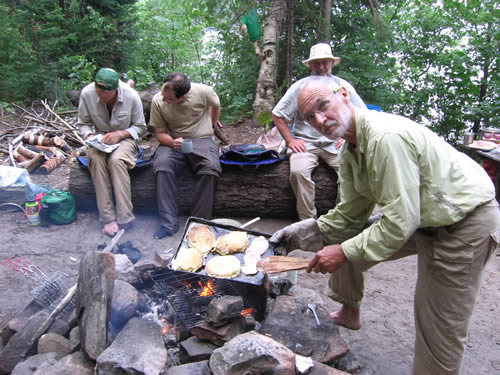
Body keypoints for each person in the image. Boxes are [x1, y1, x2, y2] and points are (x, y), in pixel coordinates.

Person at [270, 80, 500, 375]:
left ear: (343, 96)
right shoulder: (351, 150)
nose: (320, 120)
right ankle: (350, 311)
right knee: (348, 238)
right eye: (310, 118)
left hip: (463, 222)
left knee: (437, 324)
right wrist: (298, 234)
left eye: (322, 106)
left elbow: (401, 222)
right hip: (423, 217)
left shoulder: (383, 138)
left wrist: (343, 251)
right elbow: (348, 216)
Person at [272, 43, 366, 220]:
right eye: (317, 63)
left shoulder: (342, 85)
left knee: (351, 174)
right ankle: (307, 222)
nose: (322, 67)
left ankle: (341, 220)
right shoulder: (300, 87)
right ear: (310, 65)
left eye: (325, 62)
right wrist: (291, 140)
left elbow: (360, 113)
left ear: (332, 63)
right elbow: (278, 114)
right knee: (298, 173)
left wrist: (348, 137)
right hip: (305, 142)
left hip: (336, 142)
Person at [150, 72, 221, 239]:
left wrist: (211, 123)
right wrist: (172, 142)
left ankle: (198, 224)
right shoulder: (158, 100)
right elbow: (159, 133)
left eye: (169, 99)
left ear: (183, 97)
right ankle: (168, 224)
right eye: (163, 94)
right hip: (173, 140)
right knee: (162, 165)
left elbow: (216, 105)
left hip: (201, 139)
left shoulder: (204, 92)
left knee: (210, 168)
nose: (164, 99)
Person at [77, 68, 147, 236]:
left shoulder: (131, 95)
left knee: (116, 161)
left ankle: (125, 217)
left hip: (125, 138)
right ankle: (108, 217)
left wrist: (120, 134)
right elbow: (83, 123)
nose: (100, 97)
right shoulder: (87, 93)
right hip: (100, 139)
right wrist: (91, 135)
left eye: (105, 94)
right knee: (96, 159)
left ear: (116, 89)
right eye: (98, 92)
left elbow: (141, 127)